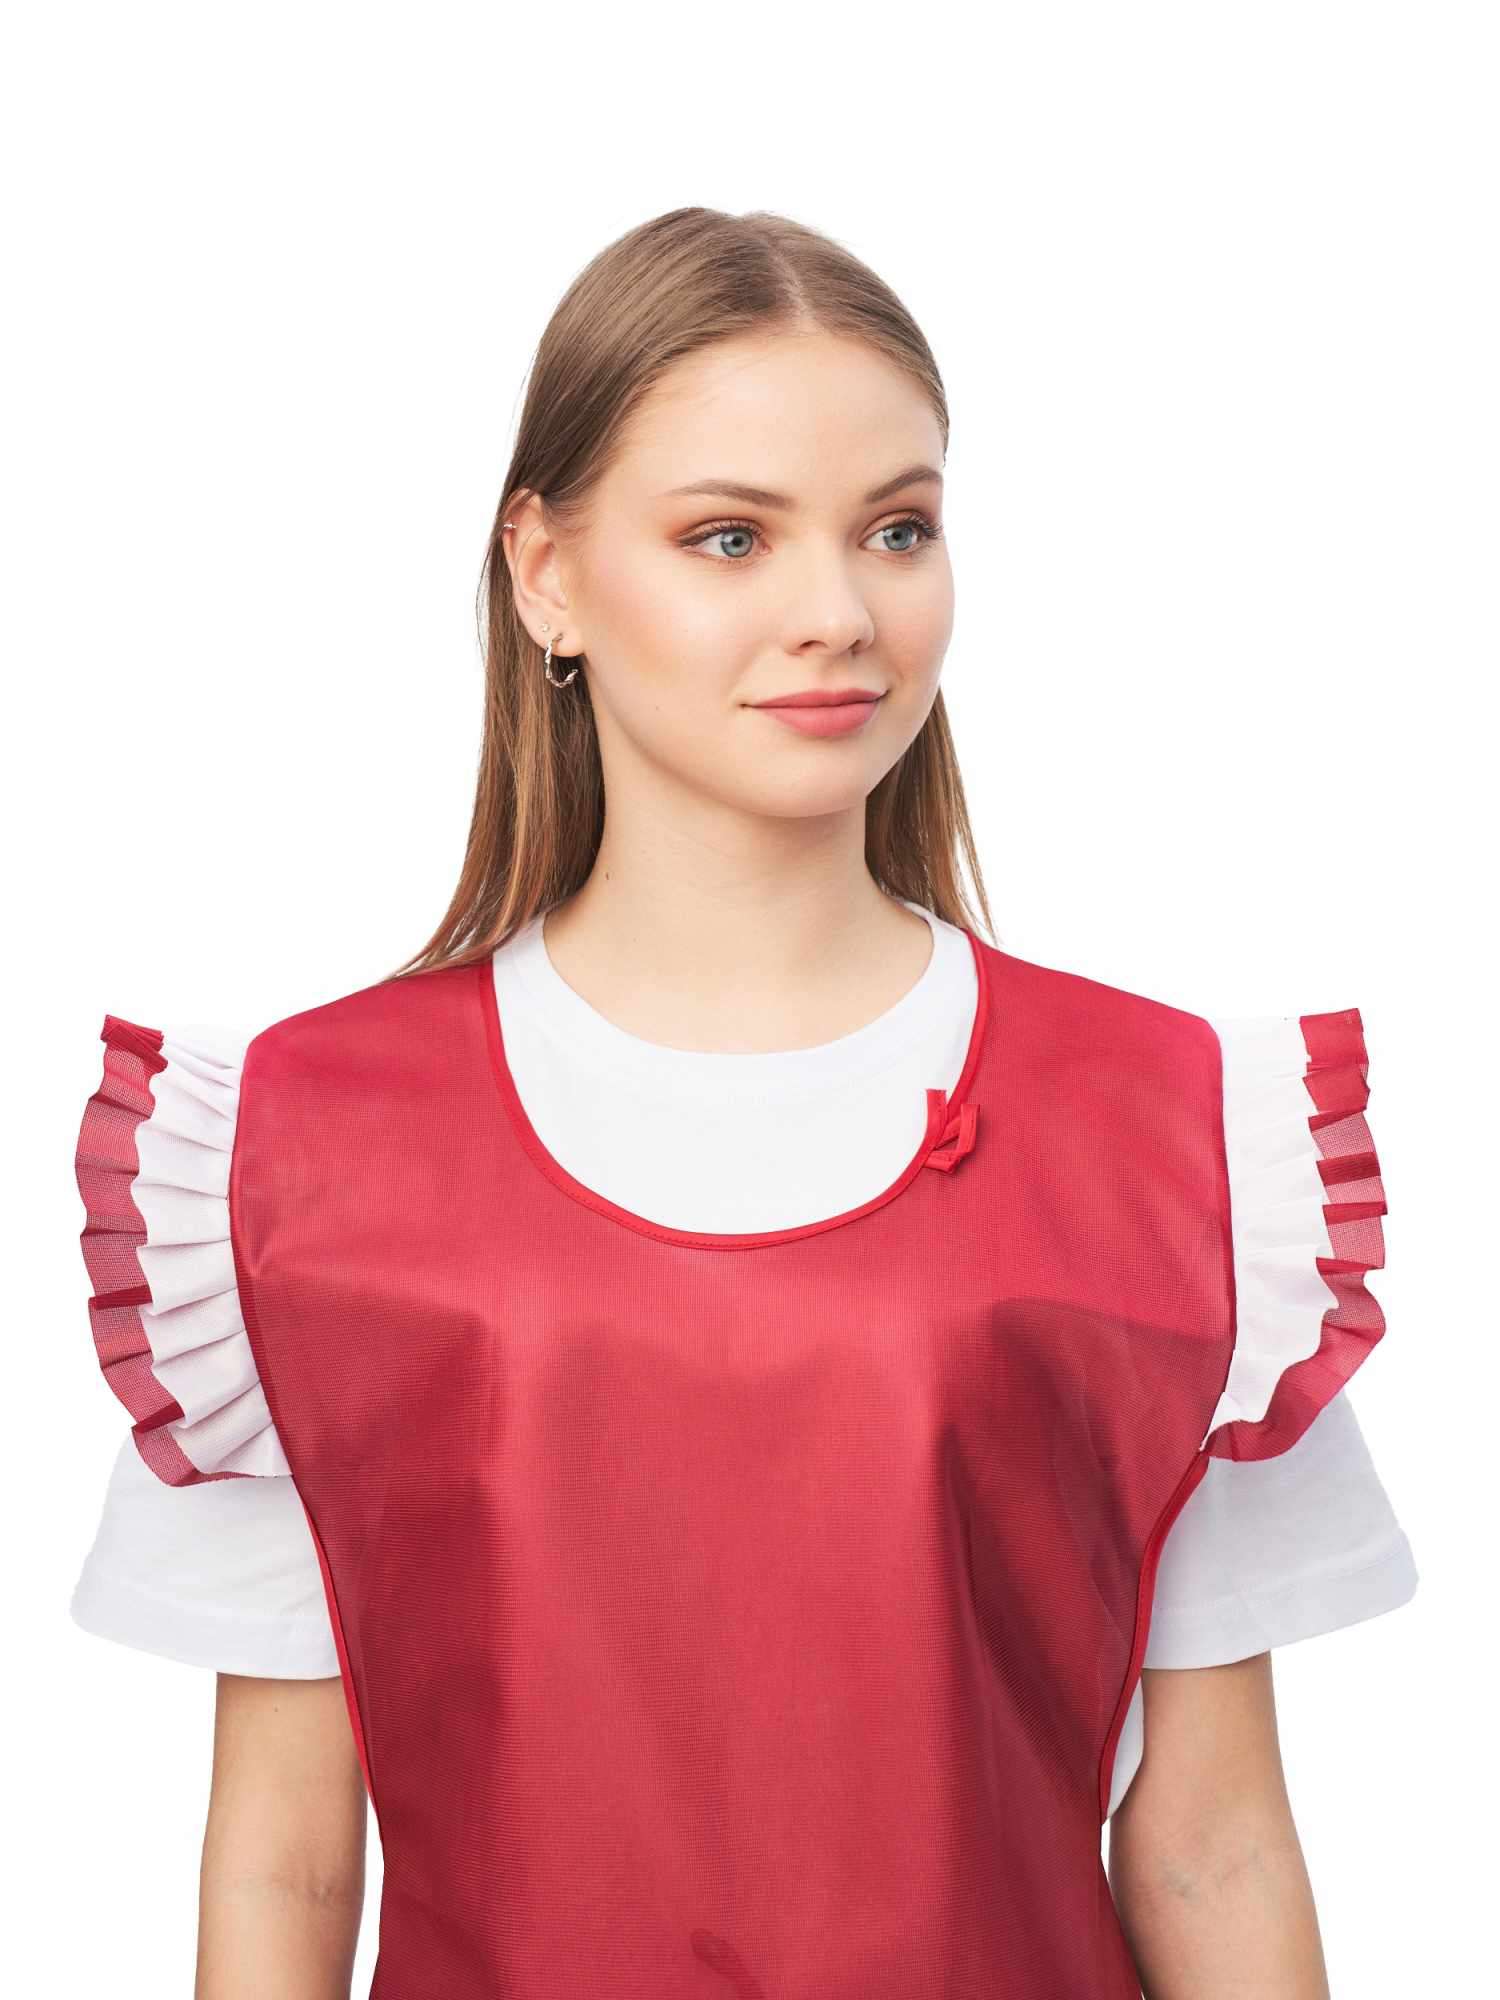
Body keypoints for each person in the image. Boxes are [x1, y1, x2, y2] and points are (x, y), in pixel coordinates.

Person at [70, 206, 1418, 1998]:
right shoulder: (297, 1160)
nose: (839, 615)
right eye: (731, 537)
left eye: (898, 529)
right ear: (545, 574)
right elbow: (285, 1863)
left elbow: (1212, 1842)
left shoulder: (1169, 1143)